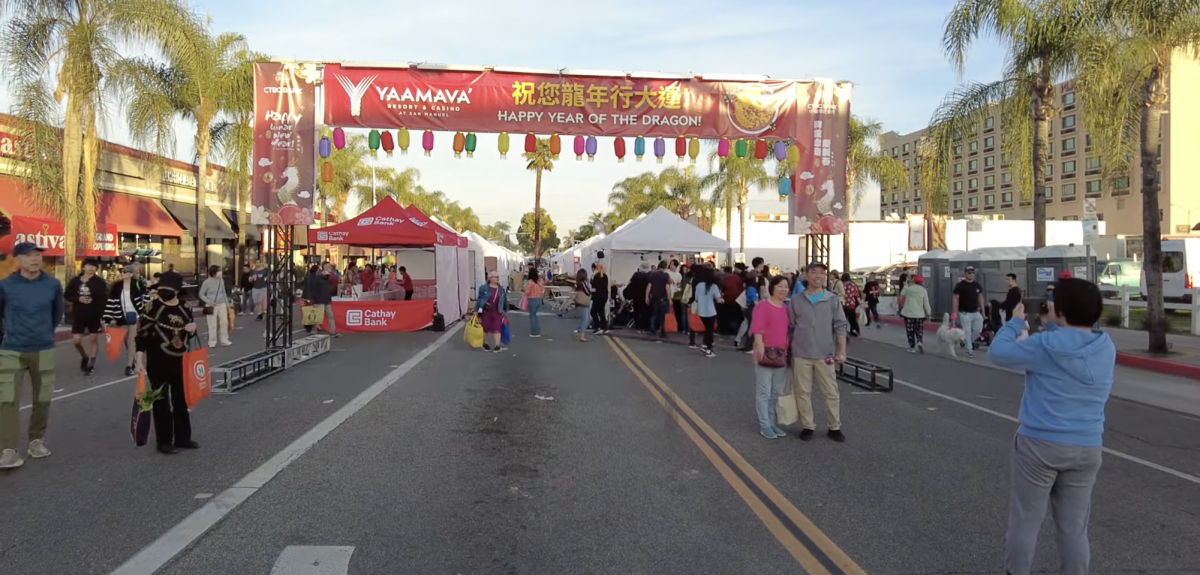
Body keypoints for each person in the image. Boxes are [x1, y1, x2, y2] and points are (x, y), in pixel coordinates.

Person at [988, 279, 1113, 575]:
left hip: (1039, 446)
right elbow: (1074, 347)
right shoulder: (1105, 347)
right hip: (1087, 448)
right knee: (1073, 528)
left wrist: (1014, 323)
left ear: (1064, 310)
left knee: (1026, 521)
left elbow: (999, 353)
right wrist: (1056, 323)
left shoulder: (1044, 346)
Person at [0, 243, 64, 469]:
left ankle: (36, 441)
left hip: (43, 348)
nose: (34, 259)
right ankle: (8, 449)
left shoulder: (53, 285)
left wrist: (44, 333)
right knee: (7, 399)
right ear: (17, 260)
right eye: (28, 256)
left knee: (43, 398)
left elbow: (57, 313)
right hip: (11, 350)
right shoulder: (5, 286)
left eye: (37, 255)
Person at [134, 271, 199, 455]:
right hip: (157, 359)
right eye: (161, 288)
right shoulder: (151, 307)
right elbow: (141, 336)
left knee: (181, 400)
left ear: (177, 291)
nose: (164, 292)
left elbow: (189, 330)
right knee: (161, 401)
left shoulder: (185, 307)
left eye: (168, 289)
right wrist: (139, 360)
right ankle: (164, 441)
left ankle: (183, 437)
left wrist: (192, 329)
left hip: (179, 359)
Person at [788, 262, 849, 442]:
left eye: (822, 273)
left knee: (831, 392)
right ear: (807, 276)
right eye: (814, 272)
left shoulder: (832, 299)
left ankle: (834, 426)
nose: (818, 276)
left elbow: (840, 325)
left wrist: (842, 351)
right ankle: (808, 426)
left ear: (826, 277)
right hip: (801, 353)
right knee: (802, 392)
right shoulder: (796, 300)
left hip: (825, 354)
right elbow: (791, 327)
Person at [751, 275, 792, 439]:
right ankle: (764, 424)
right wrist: (759, 346)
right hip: (766, 352)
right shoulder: (763, 306)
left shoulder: (785, 308)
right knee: (764, 391)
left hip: (781, 353)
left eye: (786, 286)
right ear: (772, 288)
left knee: (776, 392)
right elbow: (757, 328)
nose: (783, 289)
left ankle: (772, 421)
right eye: (780, 286)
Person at [65, 258, 109, 375]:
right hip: (78, 314)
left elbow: (104, 298)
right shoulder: (75, 281)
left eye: (94, 266)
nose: (91, 268)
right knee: (76, 341)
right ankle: (84, 356)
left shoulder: (99, 282)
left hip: (94, 314)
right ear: (83, 267)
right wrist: (78, 298)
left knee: (93, 339)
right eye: (89, 266)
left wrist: (102, 313)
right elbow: (67, 295)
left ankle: (91, 363)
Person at [104, 264, 150, 376]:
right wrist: (107, 319)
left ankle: (129, 366)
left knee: (131, 340)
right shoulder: (116, 286)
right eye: (121, 271)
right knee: (125, 341)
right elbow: (110, 303)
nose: (122, 273)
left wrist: (144, 300)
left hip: (134, 316)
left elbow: (147, 298)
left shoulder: (137, 284)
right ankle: (133, 358)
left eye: (124, 272)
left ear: (130, 274)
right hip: (120, 317)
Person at [688, 265, 722, 357]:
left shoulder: (699, 285)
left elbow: (696, 298)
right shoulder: (714, 286)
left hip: (701, 311)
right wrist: (722, 300)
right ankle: (708, 349)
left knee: (707, 329)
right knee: (710, 330)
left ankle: (705, 345)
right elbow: (718, 299)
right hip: (711, 311)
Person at [952, 265, 986, 357]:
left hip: (976, 312)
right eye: (969, 273)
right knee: (967, 331)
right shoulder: (960, 285)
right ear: (965, 273)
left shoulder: (977, 285)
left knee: (977, 330)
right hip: (964, 313)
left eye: (972, 273)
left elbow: (980, 298)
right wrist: (955, 312)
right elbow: (955, 299)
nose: (971, 274)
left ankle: (967, 341)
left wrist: (983, 311)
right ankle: (969, 350)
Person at [199, 265, 233, 348]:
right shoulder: (206, 282)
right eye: (219, 271)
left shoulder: (221, 280)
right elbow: (201, 294)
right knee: (212, 324)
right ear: (214, 273)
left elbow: (223, 292)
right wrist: (209, 302)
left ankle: (224, 339)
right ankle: (212, 341)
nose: (220, 272)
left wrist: (228, 305)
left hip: (222, 304)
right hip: (212, 305)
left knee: (224, 322)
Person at [473, 271, 507, 353]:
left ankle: (496, 346)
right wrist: (476, 310)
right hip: (486, 310)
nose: (497, 278)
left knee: (497, 328)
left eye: (498, 277)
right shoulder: (484, 288)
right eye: (495, 277)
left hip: (497, 310)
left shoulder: (501, 289)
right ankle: (485, 344)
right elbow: (480, 299)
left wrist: (505, 310)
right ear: (490, 278)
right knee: (485, 328)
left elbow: (505, 300)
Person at [898, 275, 932, 353]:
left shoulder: (908, 289)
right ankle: (920, 341)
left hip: (908, 314)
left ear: (914, 281)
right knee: (919, 330)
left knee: (910, 331)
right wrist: (929, 313)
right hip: (920, 315)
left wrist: (906, 286)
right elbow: (926, 303)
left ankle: (912, 347)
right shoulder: (923, 290)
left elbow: (902, 295)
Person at [302, 265, 336, 335]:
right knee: (318, 315)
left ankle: (332, 330)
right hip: (320, 299)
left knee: (329, 315)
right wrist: (312, 298)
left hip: (326, 299)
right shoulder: (317, 278)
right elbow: (313, 289)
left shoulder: (328, 277)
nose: (330, 270)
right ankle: (315, 329)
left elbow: (332, 283)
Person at [645, 261, 672, 338]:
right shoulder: (665, 275)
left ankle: (652, 329)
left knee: (654, 314)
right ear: (665, 267)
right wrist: (669, 299)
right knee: (662, 316)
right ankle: (662, 331)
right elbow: (667, 287)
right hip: (663, 297)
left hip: (654, 297)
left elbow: (649, 286)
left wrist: (646, 296)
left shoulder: (652, 275)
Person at [523, 269, 546, 337]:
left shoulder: (530, 282)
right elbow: (543, 289)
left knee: (532, 316)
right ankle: (537, 330)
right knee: (535, 315)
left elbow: (527, 292)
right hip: (539, 299)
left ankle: (535, 332)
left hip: (532, 299)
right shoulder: (540, 281)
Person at [573, 269, 593, 342]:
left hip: (578, 303)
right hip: (583, 304)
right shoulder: (583, 283)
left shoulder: (578, 283)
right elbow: (588, 292)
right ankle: (581, 335)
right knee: (585, 319)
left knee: (582, 319)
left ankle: (579, 332)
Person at [590, 263, 610, 335]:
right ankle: (604, 327)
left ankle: (598, 326)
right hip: (604, 296)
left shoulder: (596, 276)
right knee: (601, 312)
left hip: (597, 296)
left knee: (593, 312)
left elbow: (594, 286)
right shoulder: (605, 276)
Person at [841, 272, 862, 337]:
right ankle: (855, 330)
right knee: (852, 319)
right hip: (852, 304)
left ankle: (842, 331)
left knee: (842, 318)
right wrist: (860, 302)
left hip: (843, 304)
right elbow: (857, 295)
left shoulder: (841, 285)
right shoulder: (853, 285)